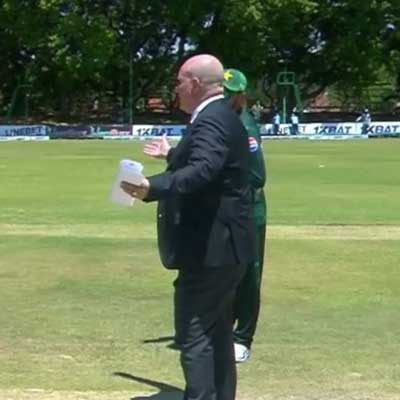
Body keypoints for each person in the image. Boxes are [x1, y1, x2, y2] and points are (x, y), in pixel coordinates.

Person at [122, 55, 255, 400]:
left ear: (195, 84)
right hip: (228, 247)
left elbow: (204, 168)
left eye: (178, 82)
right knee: (217, 333)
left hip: (212, 248)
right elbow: (207, 163)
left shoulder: (211, 120)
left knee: (195, 333)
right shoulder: (221, 116)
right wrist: (172, 156)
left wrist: (154, 186)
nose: (175, 89)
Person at [223, 69, 267, 363]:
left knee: (248, 276)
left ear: (240, 97)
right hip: (228, 209)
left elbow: (256, 175)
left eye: (229, 96)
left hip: (249, 210)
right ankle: (224, 330)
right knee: (224, 271)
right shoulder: (223, 120)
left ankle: (243, 338)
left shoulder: (245, 127)